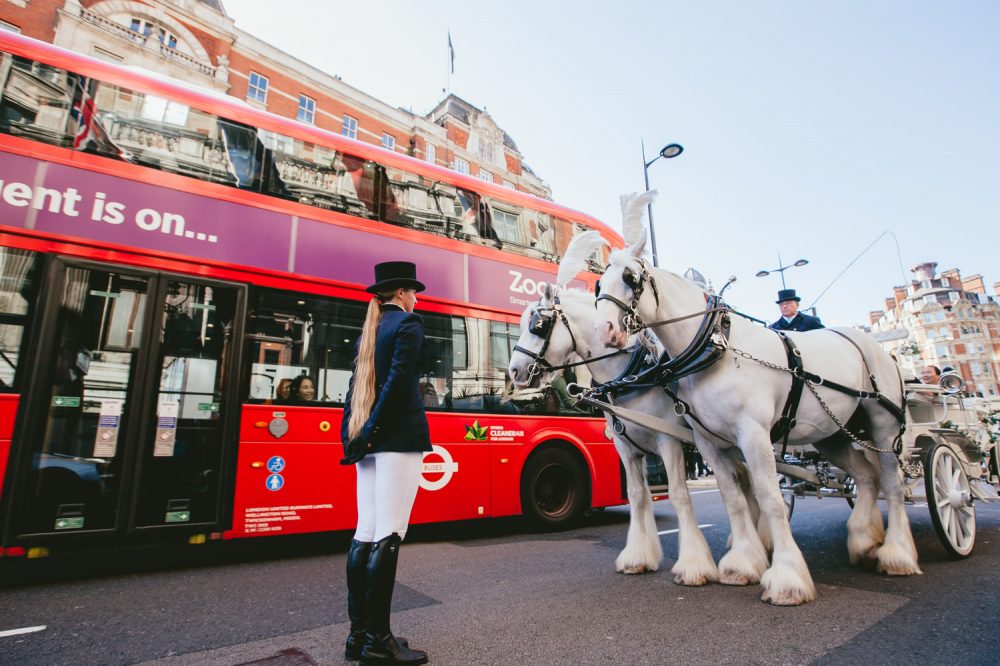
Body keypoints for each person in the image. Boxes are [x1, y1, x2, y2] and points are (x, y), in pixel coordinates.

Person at [340, 261, 431, 666]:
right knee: (388, 535)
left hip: (369, 443)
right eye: (412, 291)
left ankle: (359, 636)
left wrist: (355, 437)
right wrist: (375, 433)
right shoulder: (408, 326)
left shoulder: (371, 329)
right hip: (397, 440)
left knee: (365, 533)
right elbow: (396, 386)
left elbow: (355, 387)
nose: (415, 298)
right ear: (399, 293)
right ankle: (380, 641)